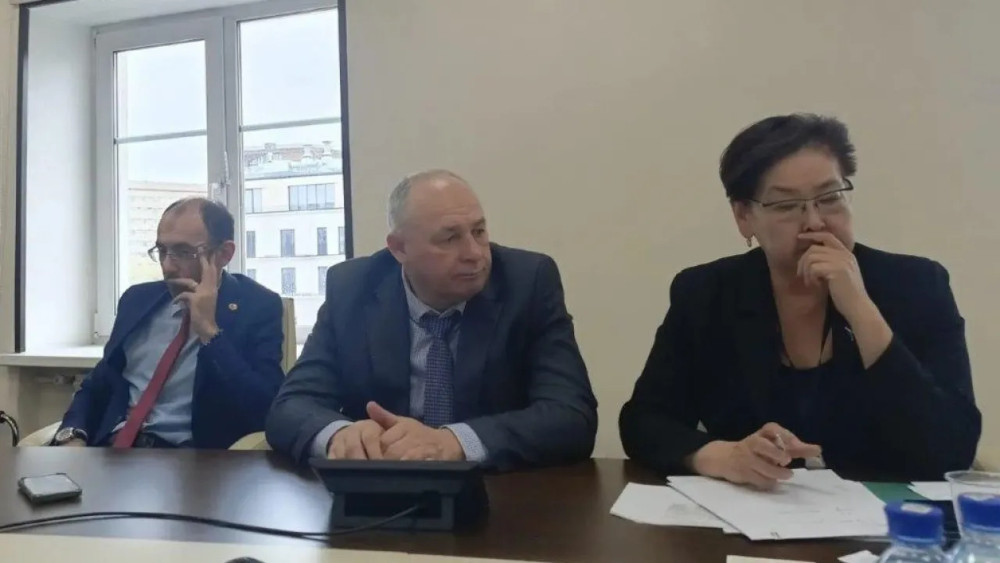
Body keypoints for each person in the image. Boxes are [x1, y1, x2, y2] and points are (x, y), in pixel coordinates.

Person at [619, 114, 981, 485]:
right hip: (756, 509)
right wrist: (722, 456)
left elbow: (951, 450)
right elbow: (644, 420)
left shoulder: (918, 286)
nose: (814, 222)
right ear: (744, 216)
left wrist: (860, 309)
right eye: (786, 205)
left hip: (887, 515)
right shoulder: (707, 293)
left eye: (830, 198)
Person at [266, 169, 598, 471]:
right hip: (380, 492)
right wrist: (340, 435)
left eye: (479, 231)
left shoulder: (527, 283)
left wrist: (453, 441)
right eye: (450, 238)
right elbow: (291, 406)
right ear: (399, 248)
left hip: (499, 493)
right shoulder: (353, 288)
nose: (475, 253)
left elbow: (571, 417)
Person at [54, 197, 285, 448]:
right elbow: (99, 383)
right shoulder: (137, 300)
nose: (168, 266)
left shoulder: (257, 306)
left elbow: (264, 409)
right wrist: (72, 434)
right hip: (114, 451)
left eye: (183, 252)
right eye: (162, 251)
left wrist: (209, 331)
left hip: (192, 460)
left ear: (224, 254)